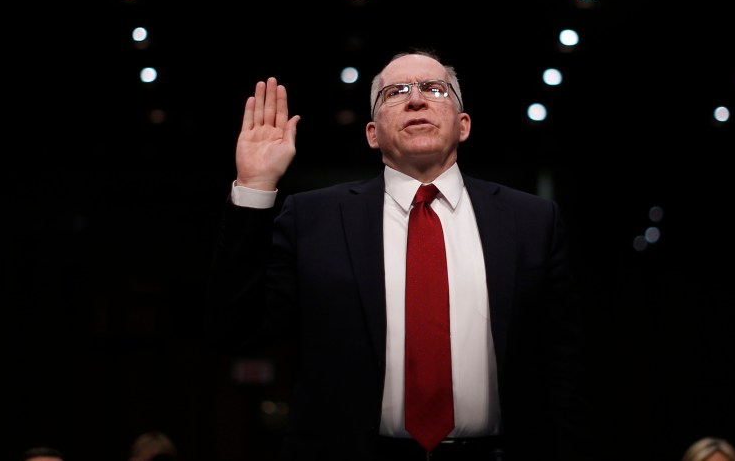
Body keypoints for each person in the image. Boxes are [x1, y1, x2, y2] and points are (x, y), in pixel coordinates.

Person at [205, 49, 593, 460]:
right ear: (372, 133)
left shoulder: (531, 220)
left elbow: (564, 367)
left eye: (434, 88)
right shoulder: (313, 218)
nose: (416, 99)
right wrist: (254, 186)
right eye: (396, 91)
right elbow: (235, 330)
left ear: (463, 125)